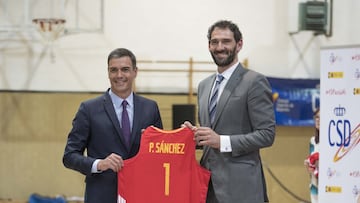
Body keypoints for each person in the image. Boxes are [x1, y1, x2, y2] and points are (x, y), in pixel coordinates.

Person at [183, 20, 276, 203]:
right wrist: (194, 135)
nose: (220, 47)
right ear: (209, 45)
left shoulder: (254, 82)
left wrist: (221, 141)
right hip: (207, 187)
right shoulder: (204, 86)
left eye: (226, 41)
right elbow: (210, 135)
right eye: (215, 42)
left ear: (239, 44)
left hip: (242, 189)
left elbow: (267, 134)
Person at [62, 48, 163, 203]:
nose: (119, 75)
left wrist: (185, 135)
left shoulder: (150, 108)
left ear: (135, 72)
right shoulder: (89, 109)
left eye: (125, 70)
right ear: (108, 73)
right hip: (102, 196)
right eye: (113, 70)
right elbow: (69, 156)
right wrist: (99, 164)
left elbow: (160, 154)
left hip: (140, 194)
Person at [304, 108, 320, 203]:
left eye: (321, 117)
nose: (318, 120)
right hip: (314, 188)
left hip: (329, 188)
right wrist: (308, 165)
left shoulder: (333, 143)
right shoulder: (312, 141)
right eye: (316, 117)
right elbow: (311, 166)